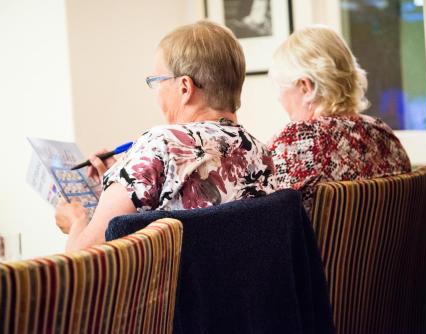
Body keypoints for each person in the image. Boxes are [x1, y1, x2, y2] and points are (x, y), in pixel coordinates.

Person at [56, 21, 276, 252]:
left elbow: (82, 257)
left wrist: (76, 222)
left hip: (178, 288)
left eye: (156, 82)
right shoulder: (261, 153)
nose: (157, 95)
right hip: (246, 288)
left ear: (184, 87)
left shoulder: (161, 144)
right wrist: (124, 180)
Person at [267, 25, 411, 215]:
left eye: (280, 88)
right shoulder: (385, 135)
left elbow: (269, 226)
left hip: (321, 247)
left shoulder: (297, 141)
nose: (279, 98)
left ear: (305, 87)